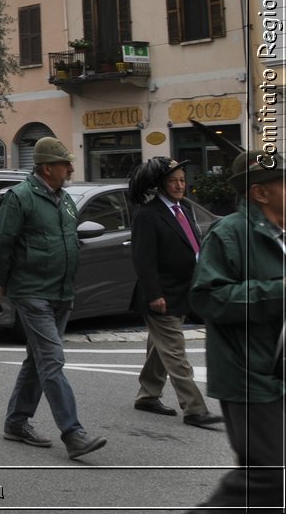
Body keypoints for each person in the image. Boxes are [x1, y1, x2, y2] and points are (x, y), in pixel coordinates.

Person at [0, 135, 107, 460]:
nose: (70, 168)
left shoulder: (65, 200)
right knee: (52, 360)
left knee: (36, 359)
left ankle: (16, 422)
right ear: (47, 167)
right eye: (65, 164)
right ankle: (73, 433)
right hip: (31, 291)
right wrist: (5, 280)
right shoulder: (21, 198)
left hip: (61, 292)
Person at [186, 149, 286, 512]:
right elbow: (208, 299)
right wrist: (279, 291)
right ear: (260, 192)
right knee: (269, 477)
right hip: (249, 373)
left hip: (279, 370)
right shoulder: (229, 234)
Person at [128, 157, 223, 428]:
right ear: (160, 185)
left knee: (161, 348)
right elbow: (143, 260)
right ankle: (194, 409)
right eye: (173, 181)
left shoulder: (184, 210)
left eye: (182, 180)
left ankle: (147, 395)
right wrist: (153, 294)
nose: (180, 185)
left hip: (184, 290)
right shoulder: (147, 215)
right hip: (162, 296)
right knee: (175, 351)